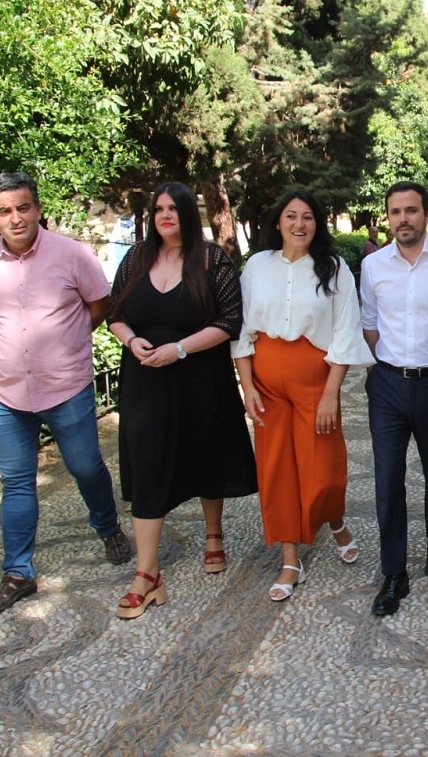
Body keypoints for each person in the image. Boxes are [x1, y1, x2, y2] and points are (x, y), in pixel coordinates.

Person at [0, 172, 130, 615]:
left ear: (37, 208)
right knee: (15, 483)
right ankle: (18, 572)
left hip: (66, 387)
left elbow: (97, 308)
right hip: (6, 394)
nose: (16, 218)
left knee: (86, 466)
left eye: (23, 207)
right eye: (5, 210)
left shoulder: (72, 255)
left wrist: (63, 344)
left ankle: (107, 526)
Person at [106, 182, 258, 619]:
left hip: (199, 375)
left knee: (206, 454)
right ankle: (147, 574)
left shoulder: (212, 259)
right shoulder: (136, 257)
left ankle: (214, 534)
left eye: (174, 208)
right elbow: (115, 313)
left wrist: (181, 348)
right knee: (148, 465)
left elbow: (231, 321)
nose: (165, 215)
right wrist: (132, 340)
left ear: (189, 213)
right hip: (146, 378)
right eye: (158, 209)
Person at [233, 189, 374, 602]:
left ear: (318, 224)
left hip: (316, 382)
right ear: (278, 222)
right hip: (267, 384)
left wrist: (332, 392)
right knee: (277, 469)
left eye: (308, 217)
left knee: (324, 467)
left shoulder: (333, 269)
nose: (299, 224)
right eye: (291, 216)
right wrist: (247, 386)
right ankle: (290, 557)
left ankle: (334, 518)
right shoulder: (257, 266)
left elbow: (347, 329)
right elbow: (242, 328)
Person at [360, 181, 428, 616]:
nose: (402, 219)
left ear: (426, 214)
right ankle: (393, 573)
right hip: (386, 384)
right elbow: (369, 321)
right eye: (395, 212)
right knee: (387, 481)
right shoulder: (373, 265)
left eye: (411, 210)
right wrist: (380, 368)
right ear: (387, 217)